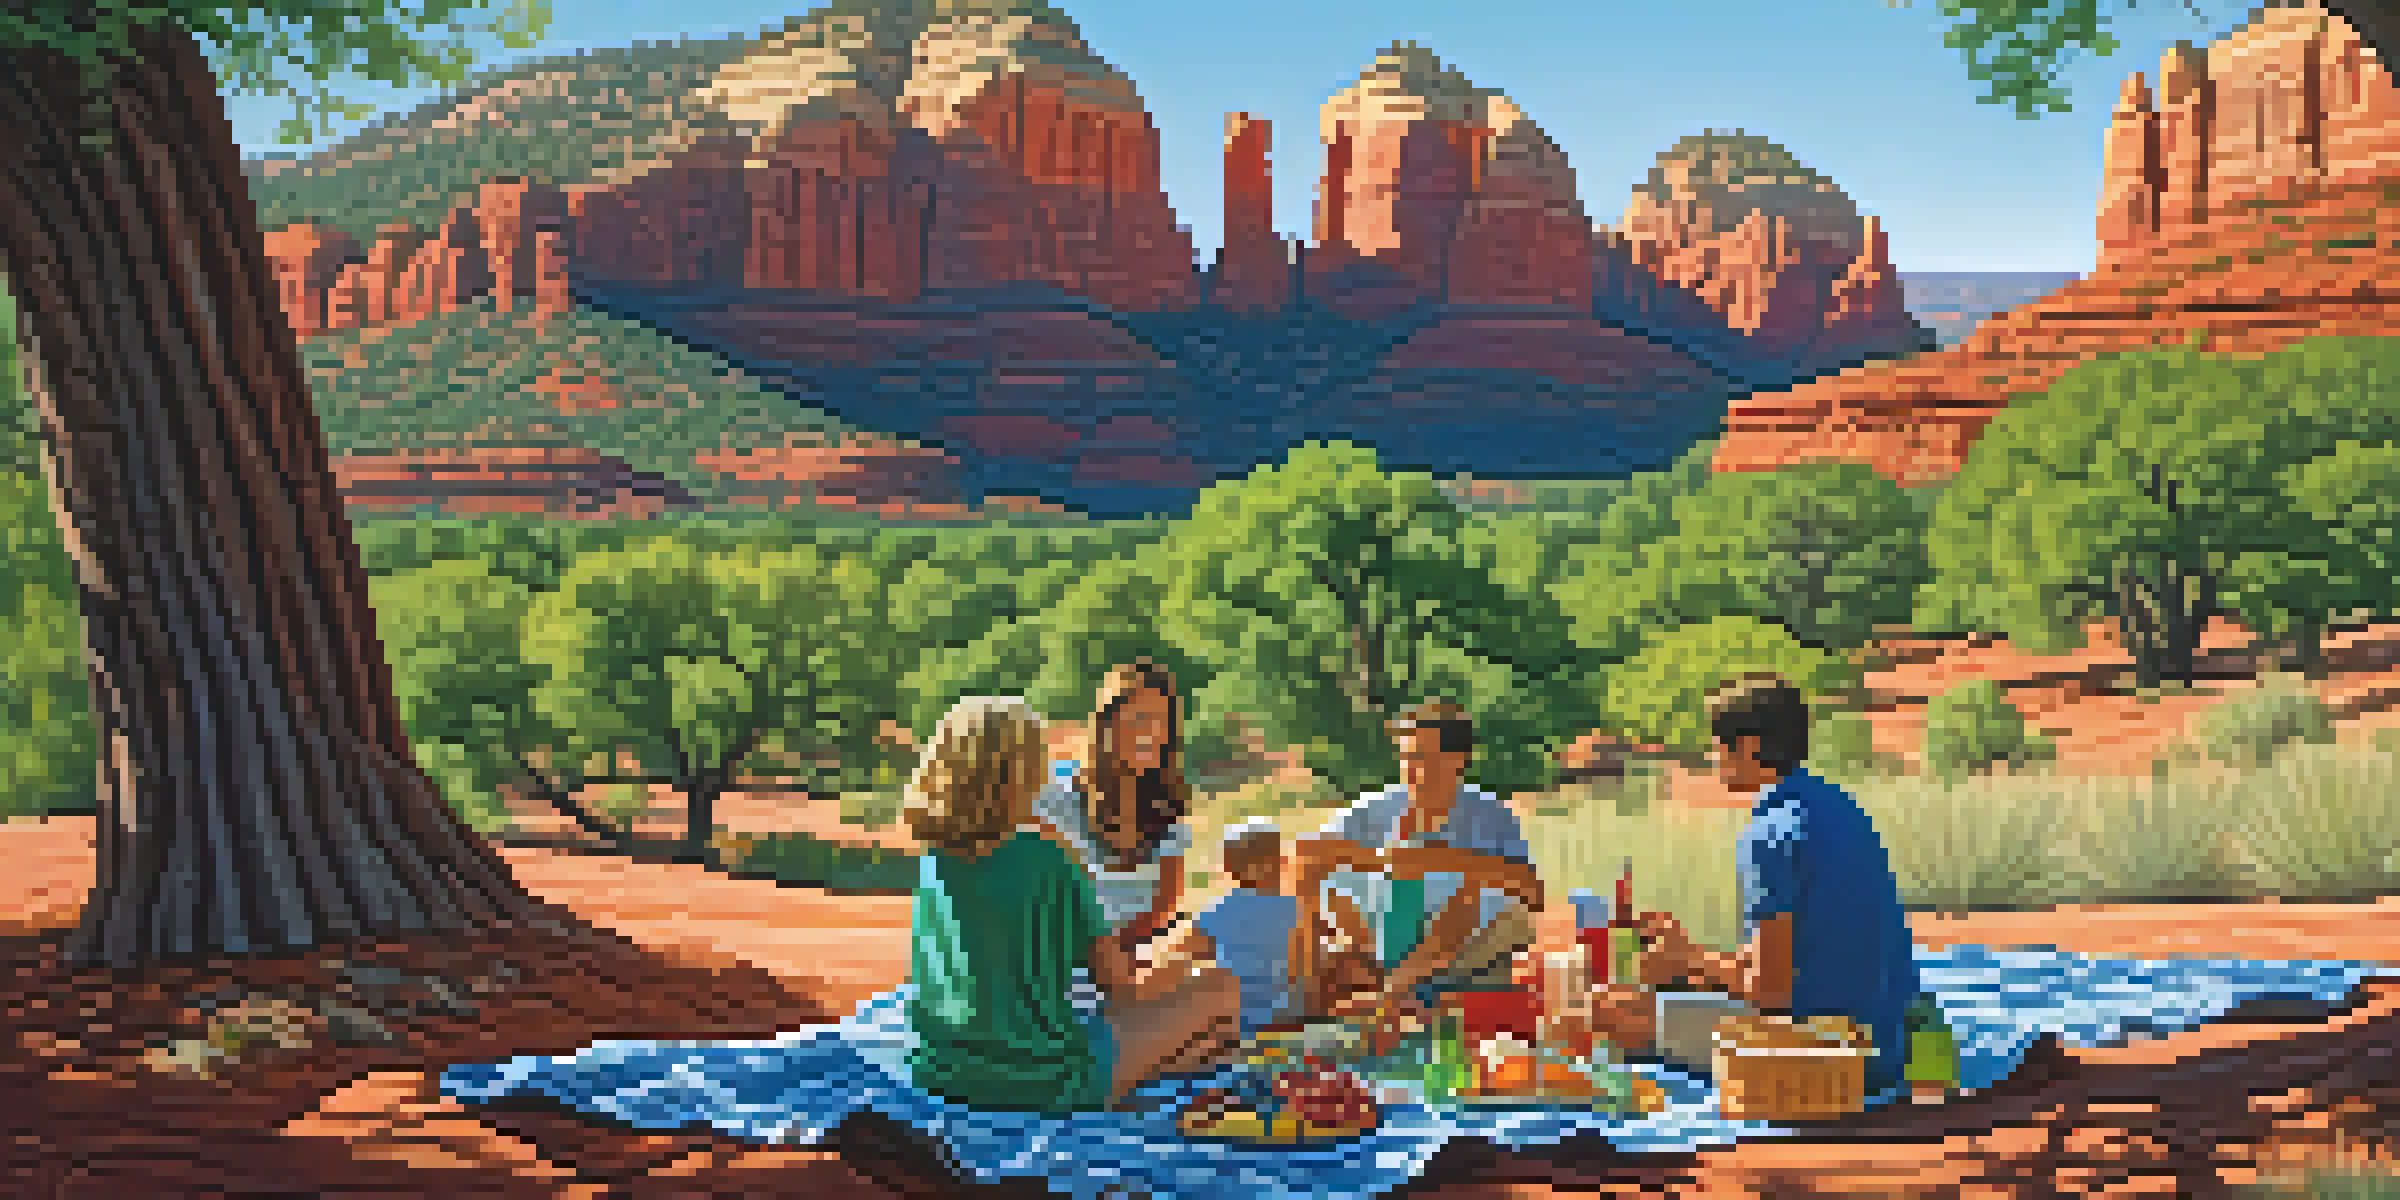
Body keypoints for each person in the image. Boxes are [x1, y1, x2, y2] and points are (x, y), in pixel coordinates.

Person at [901, 695, 1239, 1113]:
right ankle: (1137, 1087)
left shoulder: (934, 854)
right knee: (1218, 988)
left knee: (1193, 1025)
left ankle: (1146, 1076)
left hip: (939, 1070)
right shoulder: (1047, 859)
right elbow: (1120, 991)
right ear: (1024, 772)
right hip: (1043, 1078)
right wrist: (1172, 970)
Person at [1629, 674, 1922, 1096]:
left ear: (1748, 747)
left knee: (1611, 1017)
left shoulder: (1768, 833)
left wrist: (1687, 961)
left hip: (1830, 1054)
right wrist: (1695, 959)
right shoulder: (1840, 807)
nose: (1711, 757)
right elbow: (1788, 953)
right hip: (1894, 1042)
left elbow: (1769, 993)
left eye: (1716, 745)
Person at [1290, 698, 1546, 1032]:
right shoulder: (1375, 809)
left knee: (1485, 899)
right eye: (1407, 758)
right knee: (1335, 880)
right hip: (1382, 931)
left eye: (1423, 758)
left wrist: (1442, 861)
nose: (1411, 770)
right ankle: (1360, 991)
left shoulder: (1490, 815)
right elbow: (1306, 854)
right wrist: (1377, 859)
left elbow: (1533, 895)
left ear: (1458, 760)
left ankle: (1393, 991)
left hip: (1454, 935)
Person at [1187, 820, 1303, 1035]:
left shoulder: (1216, 911)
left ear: (1229, 869)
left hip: (1235, 1018)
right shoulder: (1296, 908)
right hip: (1289, 1015)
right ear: (1281, 862)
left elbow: (1190, 953)